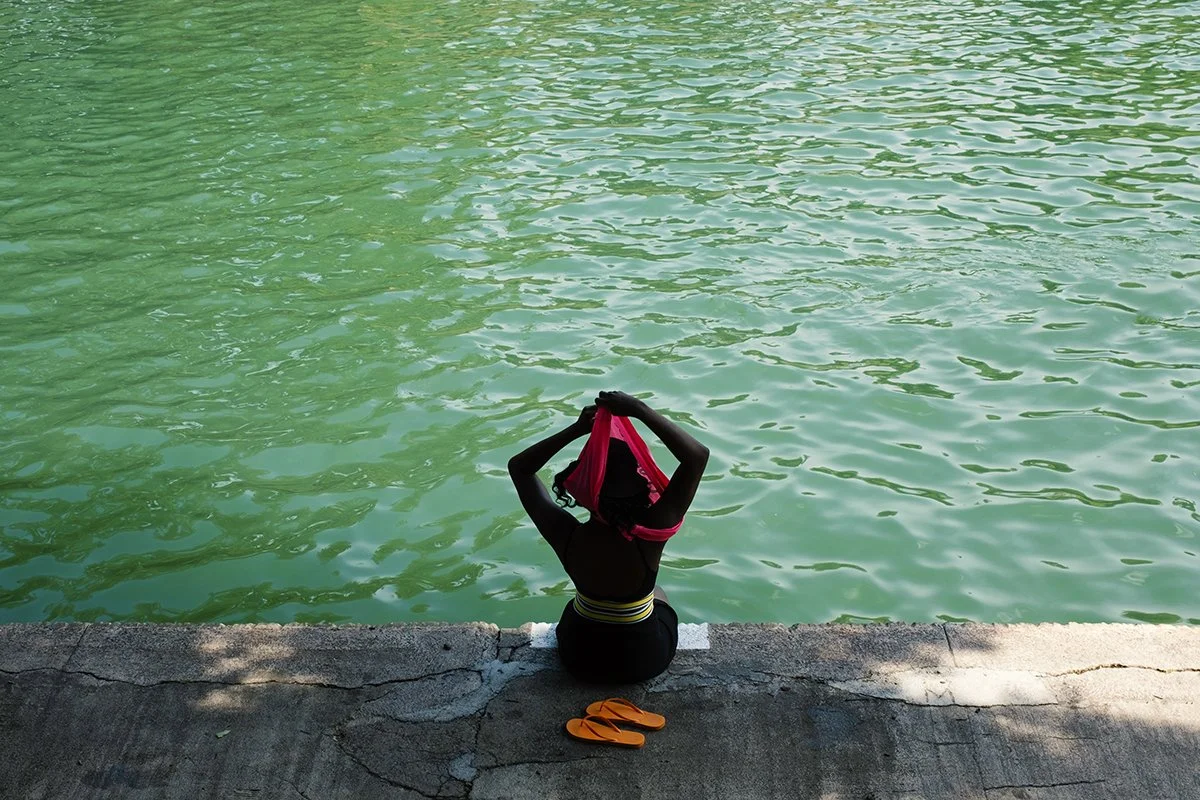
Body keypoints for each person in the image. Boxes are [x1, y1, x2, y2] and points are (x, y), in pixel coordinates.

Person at [507, 390, 709, 683]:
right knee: (658, 594)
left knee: (579, 607)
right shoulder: (649, 533)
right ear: (642, 488)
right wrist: (638, 409)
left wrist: (576, 429)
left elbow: (520, 468)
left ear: (587, 487)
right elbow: (697, 457)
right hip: (643, 660)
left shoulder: (566, 533)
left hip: (578, 657)